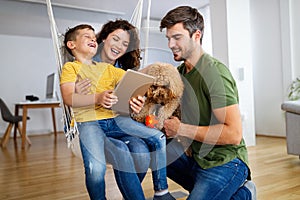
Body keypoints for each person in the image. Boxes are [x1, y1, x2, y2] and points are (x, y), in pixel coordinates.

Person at [60, 24, 174, 200]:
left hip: (113, 121)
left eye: (92, 37)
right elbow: (68, 98)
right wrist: (97, 98)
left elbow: (134, 80)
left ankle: (161, 192)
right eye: (86, 37)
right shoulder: (70, 68)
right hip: (89, 123)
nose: (92, 39)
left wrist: (138, 98)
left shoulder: (107, 69)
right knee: (97, 168)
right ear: (71, 45)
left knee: (156, 138)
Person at [160, 6, 256, 200]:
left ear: (196, 36)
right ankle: (232, 193)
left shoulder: (214, 74)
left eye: (177, 37)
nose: (170, 44)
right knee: (152, 147)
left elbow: (234, 134)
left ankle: (244, 192)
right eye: (168, 38)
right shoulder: (179, 74)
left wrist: (181, 130)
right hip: (196, 158)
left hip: (225, 161)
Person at [76, 19, 150, 183]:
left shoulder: (124, 70)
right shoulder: (84, 61)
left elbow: (126, 106)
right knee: (121, 151)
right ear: (104, 38)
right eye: (115, 39)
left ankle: (129, 194)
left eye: (124, 44)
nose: (118, 46)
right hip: (93, 123)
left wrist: (135, 106)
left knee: (142, 153)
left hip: (118, 123)